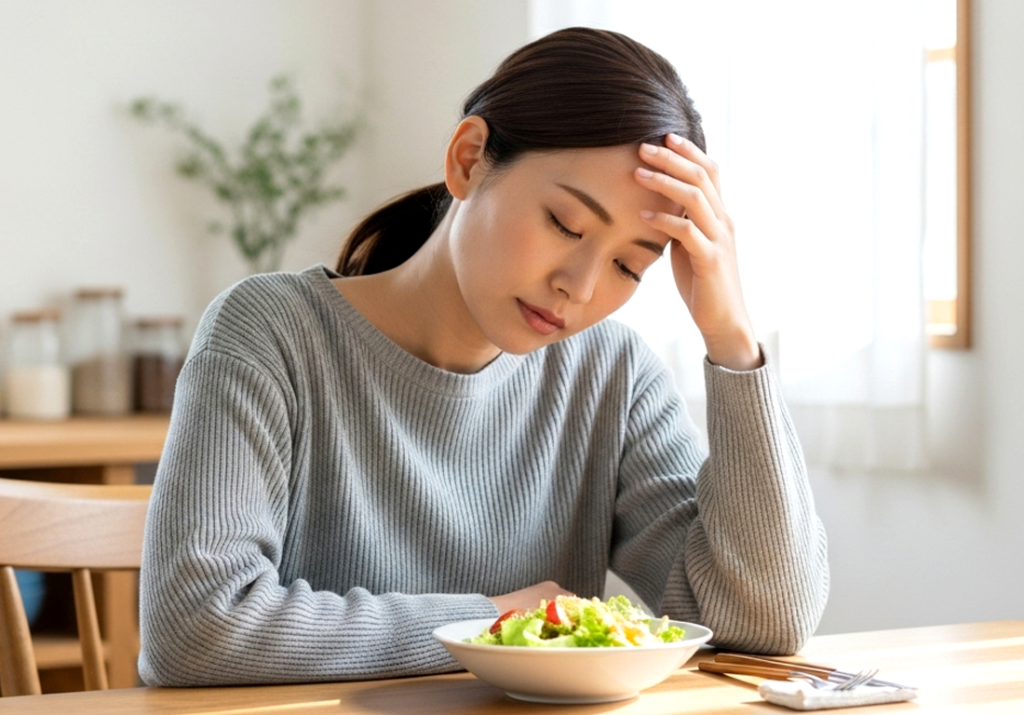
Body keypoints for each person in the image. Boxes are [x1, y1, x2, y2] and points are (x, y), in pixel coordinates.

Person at [138, 26, 829, 687]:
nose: (581, 286)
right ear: (469, 159)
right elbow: (195, 626)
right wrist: (490, 620)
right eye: (565, 224)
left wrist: (732, 338)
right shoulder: (271, 332)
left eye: (629, 266)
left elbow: (765, 620)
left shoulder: (611, 376)